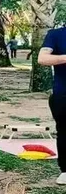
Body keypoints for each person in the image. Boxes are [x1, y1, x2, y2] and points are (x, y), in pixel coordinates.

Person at [39, 28, 66, 184]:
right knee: (64, 131)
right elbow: (42, 59)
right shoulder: (56, 34)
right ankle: (65, 169)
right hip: (63, 93)